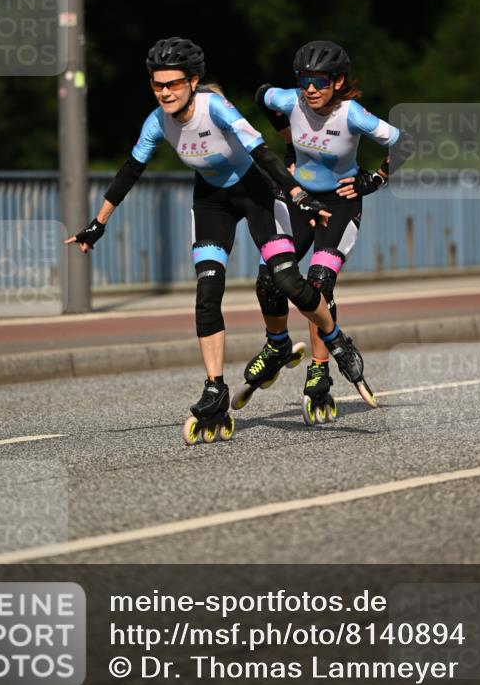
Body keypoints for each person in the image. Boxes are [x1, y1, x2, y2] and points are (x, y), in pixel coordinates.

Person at [65, 36, 370, 442]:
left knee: (285, 282)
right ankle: (214, 387)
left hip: (256, 193)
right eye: (157, 85)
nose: (165, 93)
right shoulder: (156, 121)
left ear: (193, 81)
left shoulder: (217, 108)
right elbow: (128, 172)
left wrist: (298, 195)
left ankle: (335, 340)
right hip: (211, 202)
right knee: (208, 291)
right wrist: (98, 222)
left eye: (172, 84)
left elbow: (262, 152)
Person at [250, 39, 414, 421]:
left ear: (338, 81)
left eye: (320, 81)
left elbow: (405, 141)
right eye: (304, 79)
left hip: (340, 205)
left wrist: (375, 179)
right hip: (298, 200)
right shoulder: (290, 100)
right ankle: (276, 345)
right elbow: (261, 96)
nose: (310, 89)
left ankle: (319, 371)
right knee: (269, 280)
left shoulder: (352, 114)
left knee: (318, 282)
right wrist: (289, 149)